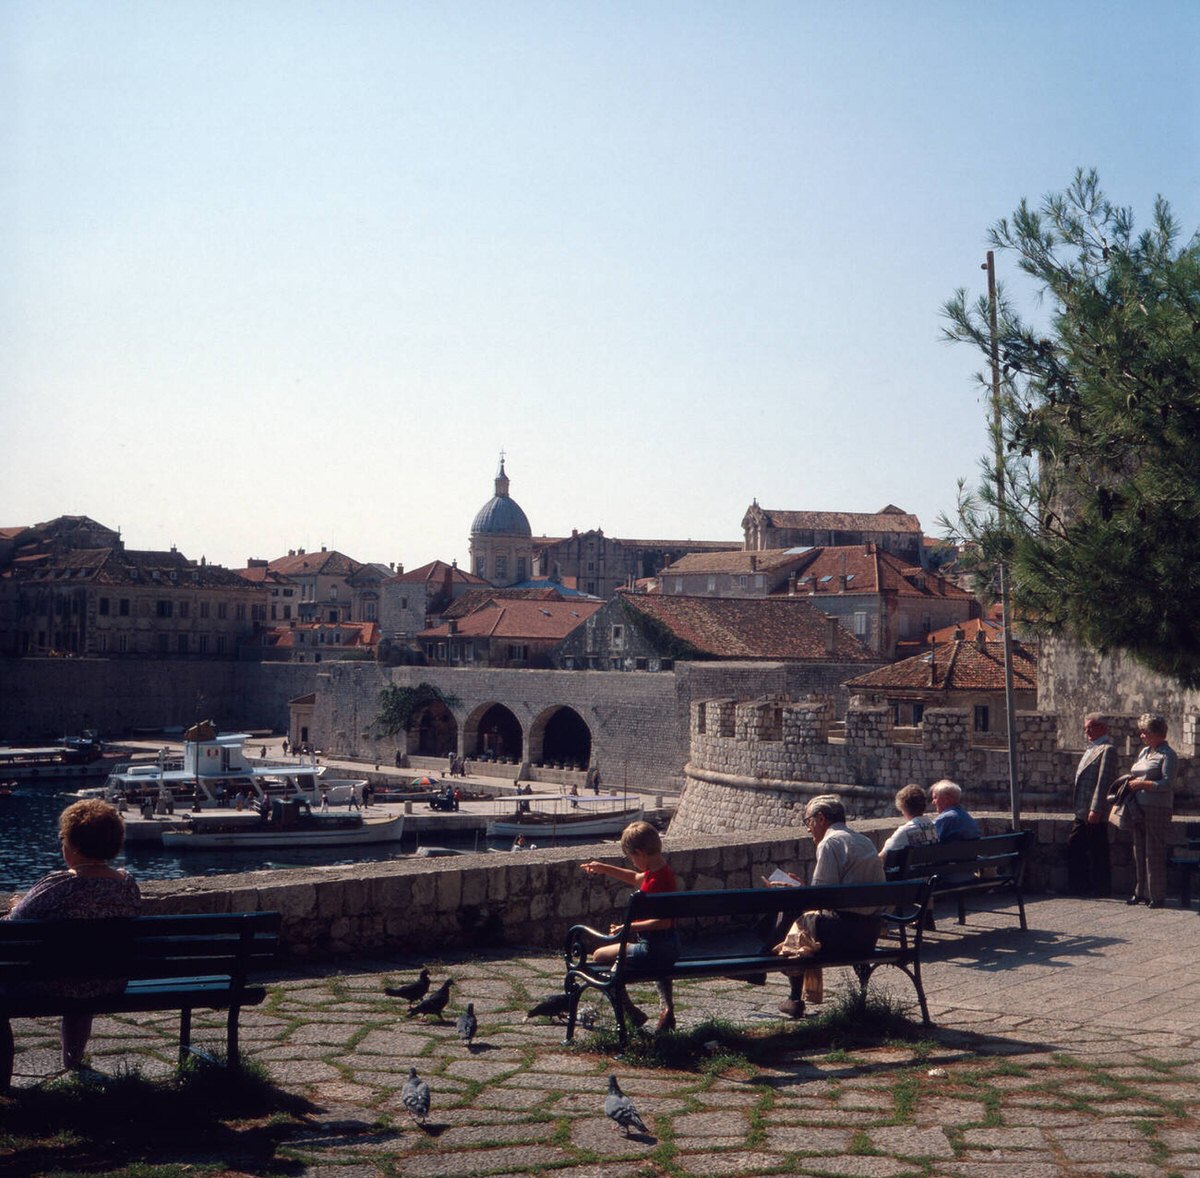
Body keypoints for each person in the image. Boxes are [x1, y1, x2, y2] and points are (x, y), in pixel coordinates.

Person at [2, 800, 142, 1086]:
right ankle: (73, 1061)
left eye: (63, 838)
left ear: (74, 846)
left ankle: (1, 1079)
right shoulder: (127, 884)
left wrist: (16, 904)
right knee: (84, 971)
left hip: (52, 983)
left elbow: (13, 925)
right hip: (108, 981)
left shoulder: (58, 885)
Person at [765, 794, 884, 1018]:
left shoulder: (830, 842)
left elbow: (820, 897)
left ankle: (790, 993)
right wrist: (804, 887)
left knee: (794, 914)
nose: (808, 829)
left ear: (820, 818)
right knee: (801, 912)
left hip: (841, 935)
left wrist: (796, 891)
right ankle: (772, 972)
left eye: (808, 821)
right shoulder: (864, 841)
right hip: (869, 933)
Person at [580, 821, 679, 1034]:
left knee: (599, 955)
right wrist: (603, 868)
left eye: (632, 857)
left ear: (640, 853)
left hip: (651, 949)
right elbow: (634, 878)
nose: (633, 863)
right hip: (671, 947)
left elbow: (664, 921)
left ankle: (632, 1013)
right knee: (658, 965)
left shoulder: (654, 882)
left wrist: (627, 927)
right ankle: (667, 1008)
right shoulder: (662, 872)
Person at [1125, 713, 1176, 908]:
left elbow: (1167, 783)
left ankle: (1156, 894)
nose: (1141, 735)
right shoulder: (1144, 752)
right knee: (1138, 849)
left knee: (1153, 851)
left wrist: (1143, 784)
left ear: (1156, 733)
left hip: (1157, 807)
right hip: (1138, 806)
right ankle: (1140, 892)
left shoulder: (1168, 755)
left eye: (1145, 732)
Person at [1067, 713, 1117, 897]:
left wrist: (1096, 808)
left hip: (1092, 810)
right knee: (1081, 846)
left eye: (1091, 726)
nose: (1087, 730)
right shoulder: (1092, 748)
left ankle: (1099, 888)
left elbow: (1104, 781)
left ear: (1103, 727)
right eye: (1085, 727)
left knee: (1096, 849)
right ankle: (1083, 886)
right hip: (1082, 809)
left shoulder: (1107, 750)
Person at [879, 784, 938, 860]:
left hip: (908, 871)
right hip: (929, 870)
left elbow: (882, 856)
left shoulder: (904, 831)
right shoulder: (934, 827)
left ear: (904, 808)